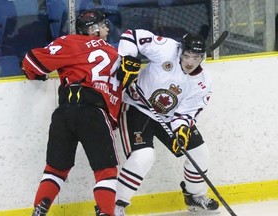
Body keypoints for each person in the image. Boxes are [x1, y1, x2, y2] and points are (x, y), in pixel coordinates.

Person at [22, 10, 140, 216]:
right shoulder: (115, 55)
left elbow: (31, 62)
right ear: (93, 29)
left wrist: (34, 73)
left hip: (64, 113)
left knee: (55, 169)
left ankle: (40, 209)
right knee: (106, 171)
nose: (107, 29)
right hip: (93, 114)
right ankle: (105, 212)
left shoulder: (71, 42)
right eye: (103, 25)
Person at [114, 29, 219, 215]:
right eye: (187, 56)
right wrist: (127, 58)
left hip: (169, 117)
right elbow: (132, 35)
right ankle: (116, 205)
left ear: (202, 58)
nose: (190, 62)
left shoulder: (203, 83)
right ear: (180, 51)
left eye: (196, 58)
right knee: (143, 157)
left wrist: (181, 130)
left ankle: (194, 196)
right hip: (137, 108)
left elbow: (186, 113)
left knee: (199, 152)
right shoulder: (167, 49)